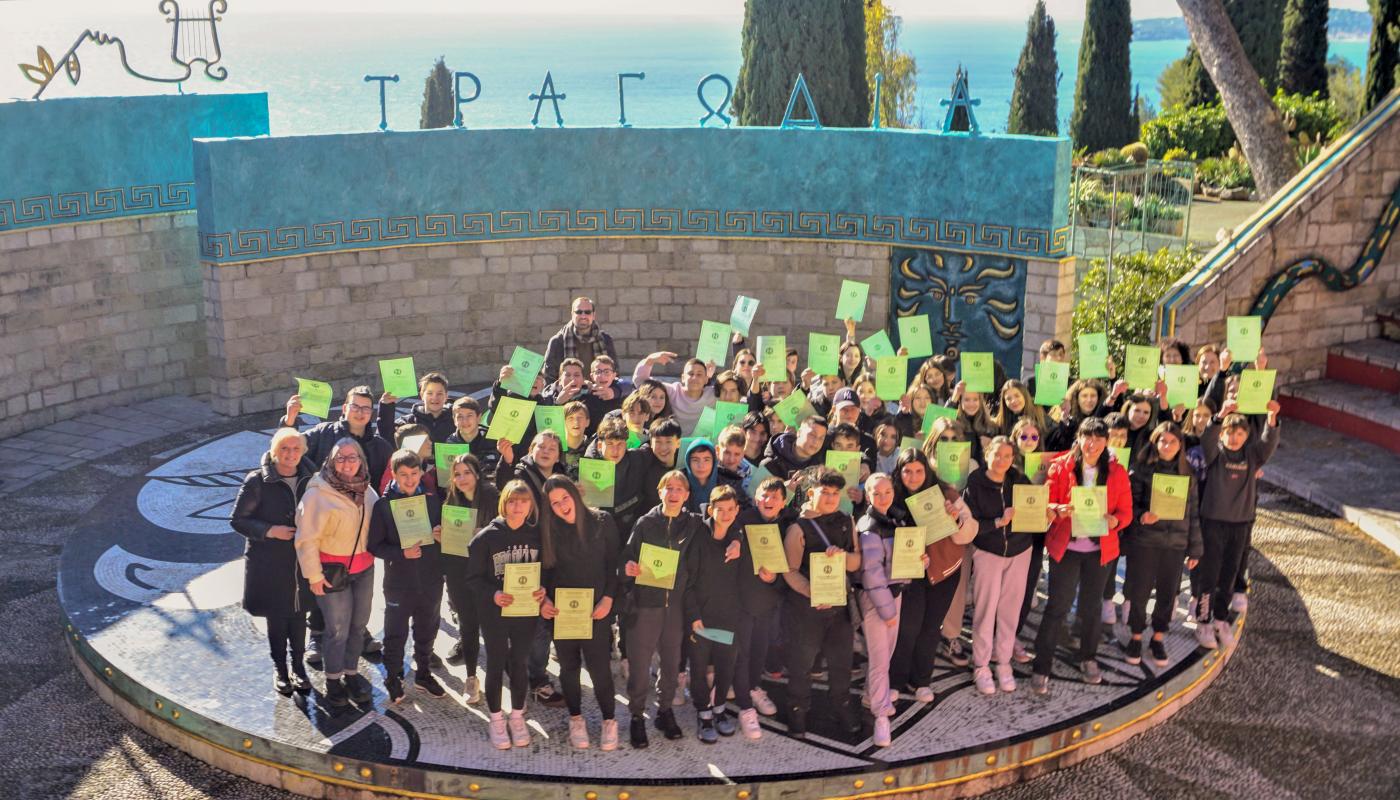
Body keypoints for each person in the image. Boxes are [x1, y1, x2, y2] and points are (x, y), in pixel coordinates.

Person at [1030, 418, 1132, 694]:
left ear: (1106, 442)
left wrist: (1114, 521)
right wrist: (1057, 509)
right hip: (1068, 548)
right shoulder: (1061, 466)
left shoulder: (1117, 472)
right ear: (1079, 438)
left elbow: (1126, 512)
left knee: (1091, 608)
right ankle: (1042, 664)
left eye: (1099, 439)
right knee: (1057, 607)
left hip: (1099, 552)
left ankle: (1088, 657)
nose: (1093, 444)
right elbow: (1047, 501)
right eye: (1088, 437)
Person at [620, 470, 707, 748]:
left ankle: (664, 710)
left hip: (676, 607)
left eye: (679, 489)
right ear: (659, 492)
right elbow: (627, 559)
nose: (673, 493)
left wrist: (736, 541)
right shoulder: (645, 523)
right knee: (640, 665)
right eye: (668, 488)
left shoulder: (694, 525)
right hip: (645, 605)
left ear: (687, 495)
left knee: (671, 664)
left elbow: (724, 528)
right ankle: (636, 715)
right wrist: (628, 569)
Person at [295, 438, 380, 709]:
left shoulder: (367, 490)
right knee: (337, 630)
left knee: (358, 626)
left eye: (352, 457)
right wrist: (314, 576)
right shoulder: (317, 494)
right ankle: (333, 681)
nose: (347, 463)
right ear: (331, 461)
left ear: (361, 460)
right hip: (333, 572)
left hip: (364, 569)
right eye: (340, 458)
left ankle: (352, 674)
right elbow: (305, 539)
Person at [231, 427, 316, 696]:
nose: (290, 454)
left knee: (300, 616)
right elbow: (238, 520)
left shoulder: (311, 479)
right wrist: (270, 531)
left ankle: (299, 667)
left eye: (295, 449)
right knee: (277, 618)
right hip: (270, 561)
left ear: (303, 452)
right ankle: (280, 669)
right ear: (274, 451)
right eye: (284, 449)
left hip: (301, 560)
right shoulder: (257, 481)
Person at [539, 475, 622, 751]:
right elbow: (545, 572)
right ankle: (576, 718)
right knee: (569, 668)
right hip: (564, 612)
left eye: (565, 497)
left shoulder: (602, 522)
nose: (562, 506)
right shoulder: (550, 532)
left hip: (596, 611)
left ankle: (609, 719)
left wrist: (609, 599)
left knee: (600, 669)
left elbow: (614, 565)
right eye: (554, 503)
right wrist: (545, 601)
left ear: (575, 494)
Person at [466, 479, 550, 750]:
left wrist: (543, 591)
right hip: (496, 612)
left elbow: (546, 571)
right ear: (504, 503)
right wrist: (493, 594)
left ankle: (516, 716)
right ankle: (496, 718)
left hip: (525, 611)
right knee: (495, 661)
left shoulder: (537, 536)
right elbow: (473, 579)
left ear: (530, 506)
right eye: (512, 501)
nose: (518, 506)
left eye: (524, 501)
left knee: (520, 662)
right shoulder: (486, 538)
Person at [888, 447, 977, 697]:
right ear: (899, 472)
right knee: (907, 628)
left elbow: (969, 531)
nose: (913, 477)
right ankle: (896, 681)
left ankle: (921, 681)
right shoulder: (892, 495)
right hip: (909, 572)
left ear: (927, 471)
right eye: (907, 471)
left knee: (930, 627)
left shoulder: (945, 493)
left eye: (919, 471)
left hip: (944, 571)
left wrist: (955, 518)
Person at [781, 469, 861, 739]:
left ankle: (842, 706)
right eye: (824, 492)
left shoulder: (845, 521)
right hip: (806, 609)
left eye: (835, 493)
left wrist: (842, 557)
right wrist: (812, 592)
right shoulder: (798, 527)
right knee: (801, 663)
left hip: (839, 607)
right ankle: (797, 710)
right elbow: (790, 569)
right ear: (811, 492)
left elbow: (856, 561)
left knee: (841, 662)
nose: (830, 498)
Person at [1194, 399, 1281, 649]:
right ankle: (1203, 622)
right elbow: (1207, 439)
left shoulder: (1252, 456)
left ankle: (1221, 619)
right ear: (1223, 433)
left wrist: (1272, 418)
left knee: (1230, 574)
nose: (1234, 438)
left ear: (1247, 436)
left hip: (1239, 524)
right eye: (1230, 433)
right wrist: (1221, 415)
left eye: (1240, 433)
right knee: (1209, 575)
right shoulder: (1215, 453)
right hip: (1213, 522)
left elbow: (1268, 443)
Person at [964, 436, 1043, 695]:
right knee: (985, 610)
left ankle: (1003, 661)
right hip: (989, 551)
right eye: (997, 455)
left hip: (1020, 551)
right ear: (987, 455)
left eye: (1007, 456)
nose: (1001, 461)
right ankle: (981, 665)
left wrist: (1047, 514)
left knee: (1010, 610)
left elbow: (1034, 510)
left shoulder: (1018, 479)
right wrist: (997, 522)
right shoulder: (975, 482)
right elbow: (971, 523)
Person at [366, 449, 446, 703]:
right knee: (395, 633)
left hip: (430, 579)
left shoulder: (433, 501)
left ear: (422, 473)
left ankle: (423, 673)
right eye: (404, 475)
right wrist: (401, 553)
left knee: (427, 629)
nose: (410, 480)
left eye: (414, 473)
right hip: (399, 582)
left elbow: (441, 540)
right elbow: (374, 546)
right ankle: (392, 676)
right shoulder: (383, 506)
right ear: (394, 475)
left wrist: (439, 536)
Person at [1125, 422, 1202, 667]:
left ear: (1180, 445)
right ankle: (1136, 635)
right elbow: (1131, 505)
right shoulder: (1140, 471)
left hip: (1175, 544)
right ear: (1155, 442)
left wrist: (1195, 547)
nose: (1167, 446)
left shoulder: (1187, 474)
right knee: (1139, 591)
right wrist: (1141, 516)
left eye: (1172, 442)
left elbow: (1193, 513)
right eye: (1163, 441)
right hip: (1146, 542)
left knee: (1168, 594)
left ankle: (1158, 637)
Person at [856, 472, 925, 746]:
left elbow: (899, 563)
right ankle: (881, 715)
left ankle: (870, 695)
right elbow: (872, 576)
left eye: (887, 491)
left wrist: (921, 560)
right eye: (876, 493)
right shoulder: (870, 526)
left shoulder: (895, 519)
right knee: (881, 659)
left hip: (892, 595)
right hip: (878, 601)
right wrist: (888, 612)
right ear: (868, 495)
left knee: (884, 654)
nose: (883, 497)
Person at [684, 485, 748, 743]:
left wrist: (738, 538)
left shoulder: (736, 538)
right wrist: (693, 615)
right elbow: (688, 582)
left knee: (725, 666)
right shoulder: (698, 536)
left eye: (730, 509)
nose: (725, 514)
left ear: (737, 510)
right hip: (701, 616)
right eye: (719, 509)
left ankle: (719, 708)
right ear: (710, 509)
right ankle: (703, 713)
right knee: (698, 667)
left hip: (728, 616)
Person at [731, 477, 793, 728]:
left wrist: (775, 578)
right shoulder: (742, 520)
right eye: (764, 496)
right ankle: (742, 696)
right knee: (740, 649)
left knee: (760, 647)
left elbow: (792, 564)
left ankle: (753, 688)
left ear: (783, 502)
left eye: (775, 497)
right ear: (756, 497)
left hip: (768, 599)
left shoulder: (788, 525)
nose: (768, 501)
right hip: (741, 598)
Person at [441, 453, 497, 703]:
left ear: (477, 473)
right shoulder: (451, 501)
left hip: (488, 572)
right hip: (458, 570)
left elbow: (507, 530)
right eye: (457, 474)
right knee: (468, 625)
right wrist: (440, 535)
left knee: (493, 626)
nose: (462, 478)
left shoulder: (493, 497)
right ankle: (472, 677)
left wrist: (485, 533)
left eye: (466, 472)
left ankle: (498, 675)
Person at [633, 352, 716, 433]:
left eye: (699, 374)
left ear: (706, 379)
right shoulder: (673, 391)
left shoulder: (713, 394)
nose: (694, 378)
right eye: (691, 374)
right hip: (672, 443)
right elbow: (641, 383)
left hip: (702, 445)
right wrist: (649, 360)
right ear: (683, 378)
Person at [543, 296, 619, 383]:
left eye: (587, 312)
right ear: (572, 314)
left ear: (593, 315)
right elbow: (549, 379)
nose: (583, 316)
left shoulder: (605, 340)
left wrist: (613, 392)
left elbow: (615, 374)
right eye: (579, 312)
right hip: (568, 394)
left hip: (600, 394)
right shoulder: (557, 342)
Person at [377, 371, 455, 444]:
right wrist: (386, 407)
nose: (434, 398)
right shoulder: (408, 422)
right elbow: (386, 439)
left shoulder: (456, 421)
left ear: (446, 396)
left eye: (440, 393)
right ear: (421, 395)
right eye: (430, 393)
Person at [444, 396, 500, 480]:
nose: (465, 421)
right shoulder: (450, 443)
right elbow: (446, 479)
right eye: (460, 417)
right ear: (454, 420)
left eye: (469, 415)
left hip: (488, 488)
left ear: (478, 417)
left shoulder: (492, 439)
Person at [761, 415, 827, 479]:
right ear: (799, 433)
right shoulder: (770, 463)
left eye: (821, 438)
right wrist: (786, 489)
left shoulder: (820, 470)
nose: (816, 441)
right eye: (812, 435)